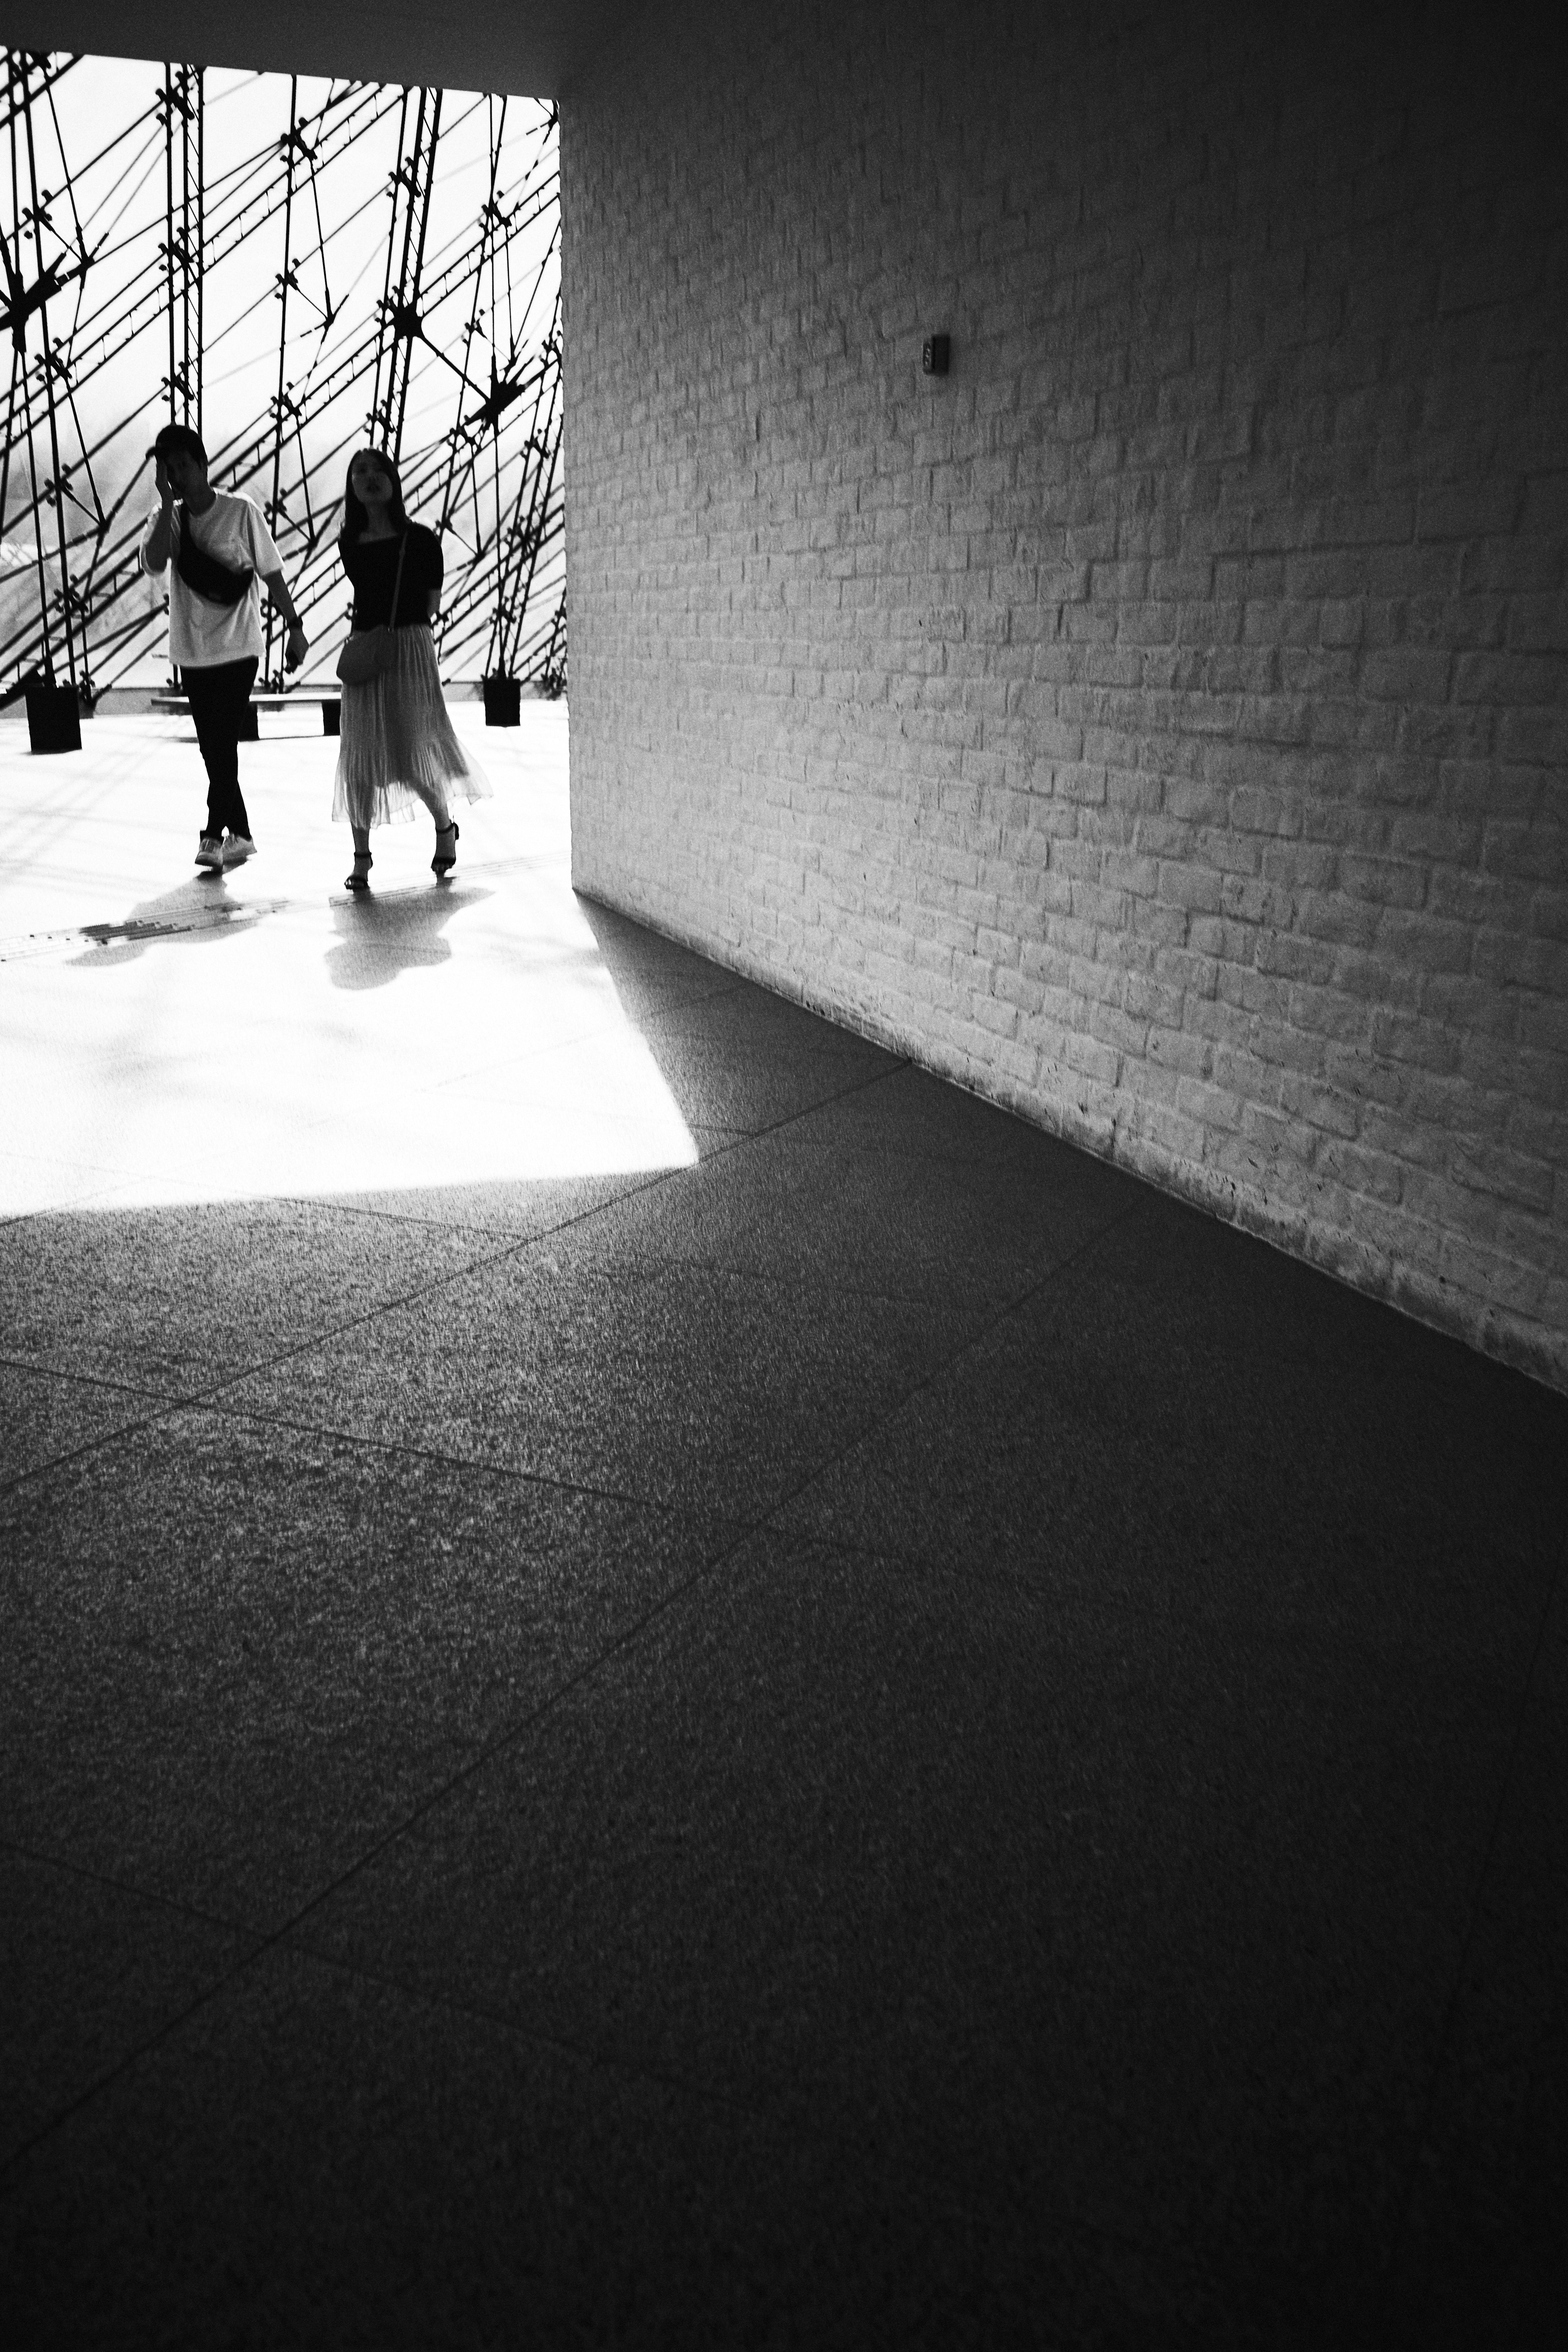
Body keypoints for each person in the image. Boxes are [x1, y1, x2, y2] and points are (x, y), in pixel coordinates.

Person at [140, 424, 308, 871]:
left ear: (202, 464)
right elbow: (155, 566)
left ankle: (214, 835)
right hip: (192, 648)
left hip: (239, 645)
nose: (175, 476)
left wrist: (295, 627)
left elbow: (272, 573)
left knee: (221, 740)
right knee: (213, 746)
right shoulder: (166, 517)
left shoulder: (241, 511)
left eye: (182, 466)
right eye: (168, 469)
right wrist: (165, 505)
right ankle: (243, 834)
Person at [333, 448, 490, 891]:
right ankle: (361, 859)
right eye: (359, 471)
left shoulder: (421, 540)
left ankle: (444, 826)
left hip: (408, 651)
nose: (368, 477)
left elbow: (430, 604)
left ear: (393, 479)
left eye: (377, 469)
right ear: (352, 486)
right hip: (369, 649)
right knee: (360, 756)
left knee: (413, 747)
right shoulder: (349, 541)